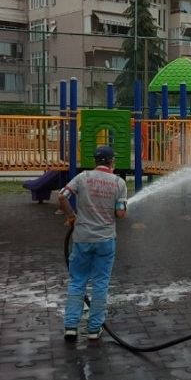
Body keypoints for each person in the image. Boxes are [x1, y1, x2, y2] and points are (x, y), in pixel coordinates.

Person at [58, 145, 127, 342]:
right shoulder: (118, 183)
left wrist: (71, 215)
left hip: (81, 239)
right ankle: (94, 329)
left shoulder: (82, 178)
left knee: (77, 281)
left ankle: (71, 326)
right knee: (100, 284)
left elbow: (62, 196)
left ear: (96, 161)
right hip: (105, 241)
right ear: (111, 161)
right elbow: (120, 213)